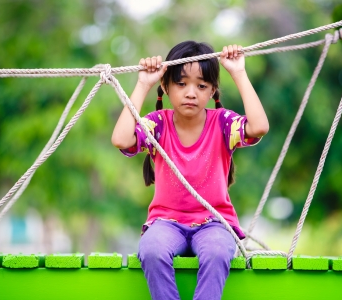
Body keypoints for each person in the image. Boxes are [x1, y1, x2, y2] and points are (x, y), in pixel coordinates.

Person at [111, 40, 269, 300]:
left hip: (214, 223)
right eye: (181, 84)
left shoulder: (222, 123)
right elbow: (121, 139)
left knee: (218, 252)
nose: (191, 93)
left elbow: (259, 126)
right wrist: (143, 84)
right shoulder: (157, 124)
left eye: (201, 85)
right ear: (166, 86)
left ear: (212, 91)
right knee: (151, 250)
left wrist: (238, 72)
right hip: (166, 223)